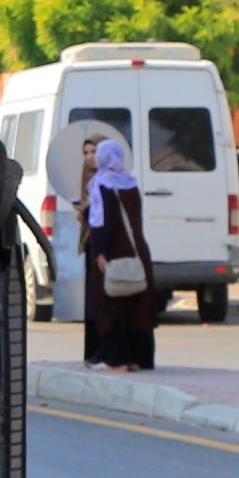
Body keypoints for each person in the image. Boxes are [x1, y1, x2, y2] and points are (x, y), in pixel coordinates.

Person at [79, 132, 160, 372]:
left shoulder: (102, 183)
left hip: (113, 252)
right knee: (138, 305)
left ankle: (116, 358)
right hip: (137, 251)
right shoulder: (131, 182)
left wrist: (99, 250)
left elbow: (104, 221)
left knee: (110, 305)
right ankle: (140, 358)